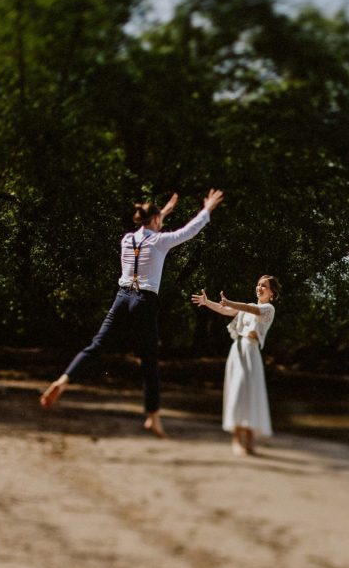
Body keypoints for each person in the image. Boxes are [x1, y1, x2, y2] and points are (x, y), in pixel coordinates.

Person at [40, 188, 225, 438]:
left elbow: (149, 230)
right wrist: (207, 209)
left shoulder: (127, 239)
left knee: (96, 345)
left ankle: (63, 380)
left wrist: (163, 212)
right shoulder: (160, 242)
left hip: (122, 298)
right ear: (156, 220)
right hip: (144, 301)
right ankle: (153, 417)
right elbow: (189, 231)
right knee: (149, 361)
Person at [191, 275, 279, 455]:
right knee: (238, 391)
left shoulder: (268, 309)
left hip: (251, 352)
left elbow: (248, 308)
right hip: (238, 351)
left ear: (272, 292)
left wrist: (230, 301)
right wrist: (207, 302)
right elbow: (226, 310)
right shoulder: (248, 307)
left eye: (264, 286)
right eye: (258, 285)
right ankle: (236, 439)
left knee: (251, 393)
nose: (259, 288)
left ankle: (250, 439)